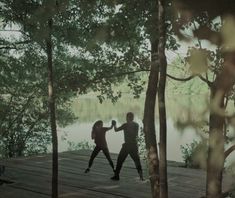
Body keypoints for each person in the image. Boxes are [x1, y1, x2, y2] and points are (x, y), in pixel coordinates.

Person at [111, 112, 143, 181]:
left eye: (127, 117)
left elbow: (116, 130)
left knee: (120, 160)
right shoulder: (136, 125)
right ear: (133, 118)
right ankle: (141, 177)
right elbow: (135, 135)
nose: (126, 118)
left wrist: (114, 125)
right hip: (134, 145)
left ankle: (116, 176)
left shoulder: (125, 125)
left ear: (128, 118)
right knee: (137, 161)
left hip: (127, 146)